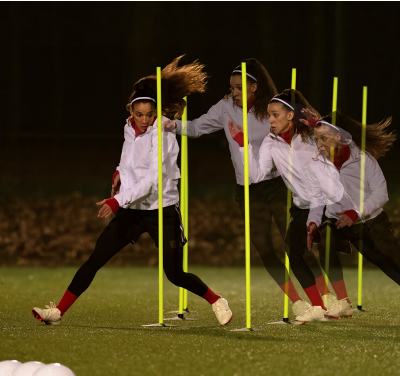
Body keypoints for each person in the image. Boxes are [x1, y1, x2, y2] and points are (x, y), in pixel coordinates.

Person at [32, 56, 232, 326]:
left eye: (150, 114)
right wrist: (118, 173)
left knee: (174, 274)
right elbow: (128, 162)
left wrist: (116, 201)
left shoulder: (164, 134)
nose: (144, 120)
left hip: (162, 211)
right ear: (131, 111)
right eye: (139, 114)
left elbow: (152, 179)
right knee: (96, 258)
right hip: (132, 210)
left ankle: (216, 299)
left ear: (156, 111)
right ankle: (57, 312)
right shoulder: (129, 128)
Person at [163, 59, 324, 318]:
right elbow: (196, 127)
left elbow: (308, 124)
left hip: (277, 185)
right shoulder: (226, 108)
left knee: (294, 247)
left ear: (254, 87)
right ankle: (298, 303)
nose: (233, 92)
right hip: (247, 190)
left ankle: (322, 303)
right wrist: (171, 125)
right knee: (263, 248)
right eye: (232, 87)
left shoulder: (272, 108)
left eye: (238, 87)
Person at [230, 89, 359, 323]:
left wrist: (318, 123)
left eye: (275, 114)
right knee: (293, 250)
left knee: (339, 249)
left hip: (330, 201)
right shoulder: (270, 142)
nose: (270, 119)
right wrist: (243, 145)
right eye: (269, 115)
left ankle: (344, 302)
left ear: (290, 116)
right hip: (302, 206)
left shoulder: (311, 134)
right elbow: (257, 175)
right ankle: (319, 307)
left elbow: (345, 140)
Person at [307, 112, 400, 318]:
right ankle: (343, 302)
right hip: (338, 221)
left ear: (338, 137)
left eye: (323, 138)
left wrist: (355, 212)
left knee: (390, 264)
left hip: (370, 222)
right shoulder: (319, 164)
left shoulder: (364, 160)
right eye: (317, 139)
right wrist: (313, 221)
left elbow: (381, 194)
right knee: (326, 242)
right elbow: (317, 197)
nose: (319, 144)